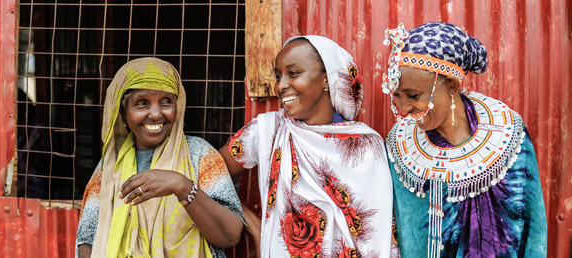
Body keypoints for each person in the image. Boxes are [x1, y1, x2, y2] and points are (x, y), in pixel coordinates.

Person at [219, 36, 397, 258]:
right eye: (278, 76)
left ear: (326, 80)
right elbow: (210, 174)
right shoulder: (267, 131)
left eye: (293, 73)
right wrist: (253, 224)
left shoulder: (366, 145)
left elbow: (378, 234)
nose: (281, 85)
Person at [381, 22, 547, 258]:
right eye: (397, 96)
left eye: (414, 95)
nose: (405, 108)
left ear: (451, 85)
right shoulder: (400, 148)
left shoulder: (507, 134)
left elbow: (534, 226)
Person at [76, 58, 243, 258]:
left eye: (166, 101)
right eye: (141, 103)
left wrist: (182, 186)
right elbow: (86, 241)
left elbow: (230, 235)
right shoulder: (110, 165)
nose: (156, 114)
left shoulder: (199, 154)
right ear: (122, 110)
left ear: (177, 106)